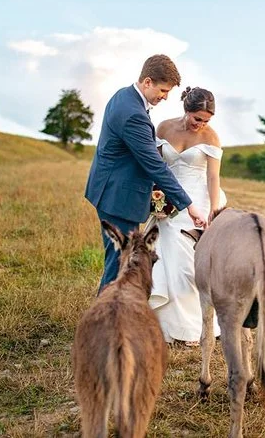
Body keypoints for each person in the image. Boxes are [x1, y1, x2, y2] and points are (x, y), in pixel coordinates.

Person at [85, 55, 207, 294]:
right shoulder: (133, 114)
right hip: (118, 197)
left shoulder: (125, 95)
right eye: (163, 90)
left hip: (110, 188)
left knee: (121, 261)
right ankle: (105, 321)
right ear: (148, 82)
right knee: (120, 265)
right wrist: (189, 206)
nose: (165, 97)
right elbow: (154, 164)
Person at [149, 86, 226, 344]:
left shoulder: (211, 138)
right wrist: (156, 201)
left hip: (198, 201)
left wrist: (213, 211)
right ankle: (166, 327)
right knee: (161, 256)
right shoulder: (163, 128)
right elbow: (156, 167)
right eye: (197, 119)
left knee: (189, 267)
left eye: (206, 120)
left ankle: (194, 328)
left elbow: (213, 177)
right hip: (168, 199)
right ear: (187, 110)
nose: (201, 125)